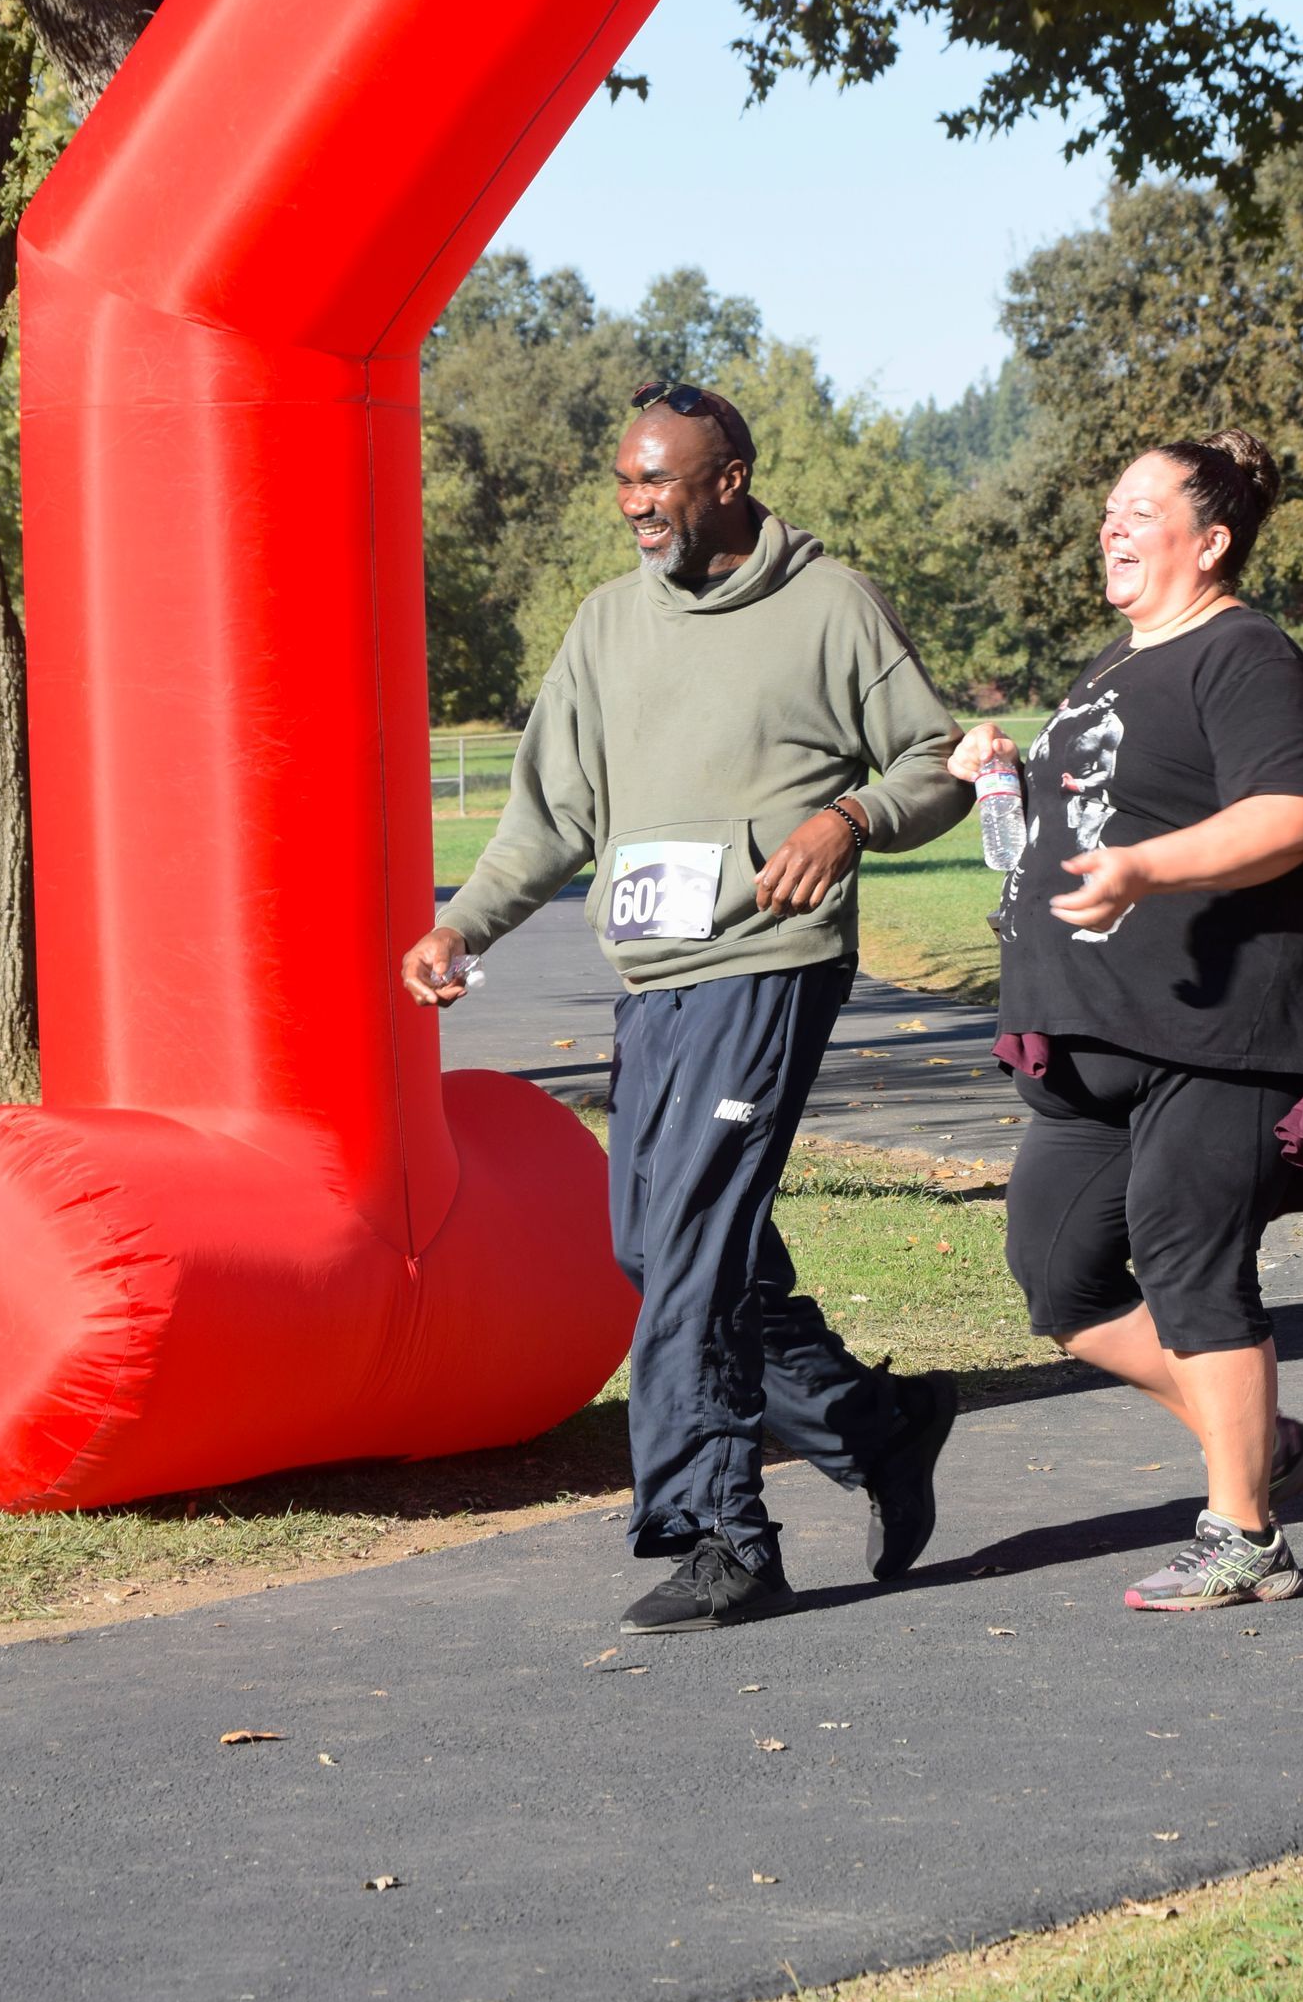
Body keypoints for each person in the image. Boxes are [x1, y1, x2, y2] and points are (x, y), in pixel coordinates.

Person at [401, 380, 972, 1633]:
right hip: (653, 978)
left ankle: (724, 1529)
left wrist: (850, 817)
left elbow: (939, 763)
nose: (635, 504)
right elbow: (549, 816)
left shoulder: (829, 605)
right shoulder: (608, 626)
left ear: (730, 479)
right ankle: (877, 1427)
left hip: (769, 960)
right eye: (625, 480)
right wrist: (460, 924)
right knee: (651, 1247)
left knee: (696, 1254)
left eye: (658, 481)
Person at [949, 428, 1303, 1612]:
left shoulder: (1247, 655)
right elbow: (1107, 801)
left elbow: (1291, 816)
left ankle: (1245, 1532)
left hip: (1234, 1018)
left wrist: (1146, 871)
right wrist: (1004, 771)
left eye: (1142, 508)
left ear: (1214, 538)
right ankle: (1261, 1442)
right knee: (1057, 1270)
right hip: (1106, 1030)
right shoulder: (1111, 668)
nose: (1114, 524)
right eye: (1110, 507)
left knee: (1190, 1259)